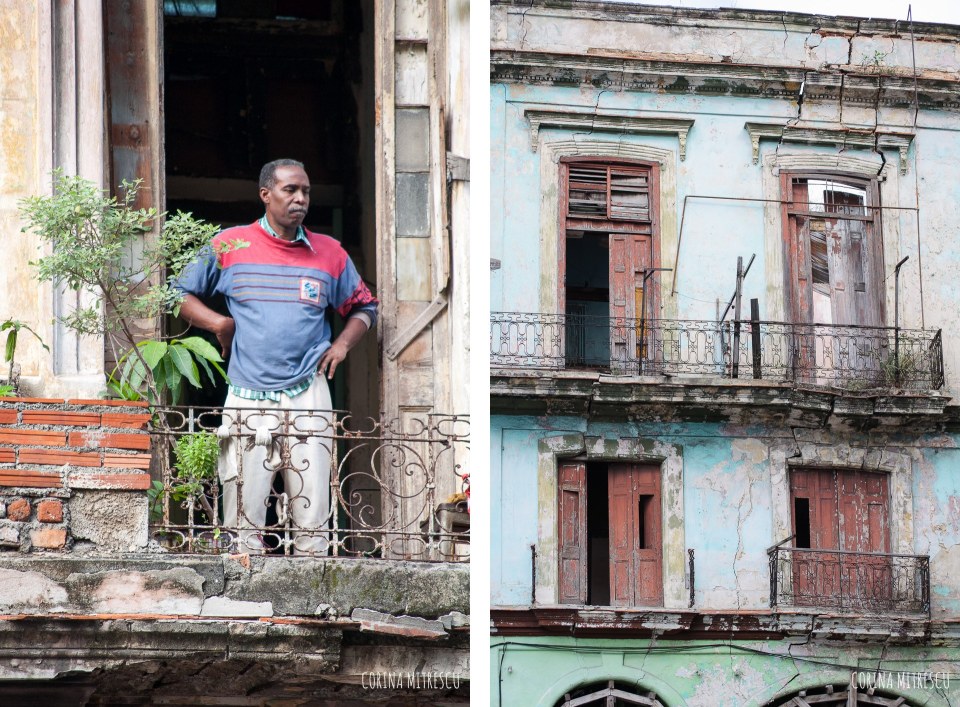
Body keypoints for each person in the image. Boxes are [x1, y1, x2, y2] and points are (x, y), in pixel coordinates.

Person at [175, 158, 378, 554]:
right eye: (290, 190)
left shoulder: (330, 253)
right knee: (243, 505)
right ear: (266, 195)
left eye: (305, 191)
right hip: (248, 393)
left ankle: (314, 574)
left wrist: (342, 345)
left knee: (314, 500)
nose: (300, 198)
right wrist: (219, 324)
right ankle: (241, 588)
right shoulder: (229, 245)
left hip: (309, 390)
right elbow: (176, 294)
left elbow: (364, 307)